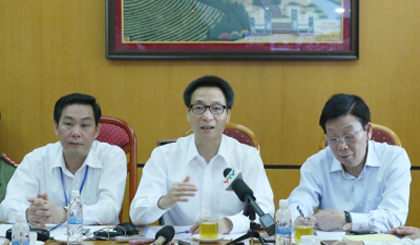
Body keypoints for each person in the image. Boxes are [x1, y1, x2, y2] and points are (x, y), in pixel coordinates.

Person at [130, 75, 274, 234]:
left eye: (217, 108)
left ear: (228, 115)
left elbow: (265, 210)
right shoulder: (163, 156)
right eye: (199, 108)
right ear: (188, 114)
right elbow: (137, 215)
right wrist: (164, 201)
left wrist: (227, 224)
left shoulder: (247, 156)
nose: (207, 116)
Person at [287, 94, 411, 232]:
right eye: (333, 138)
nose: (342, 146)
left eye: (350, 136)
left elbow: (393, 218)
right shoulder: (315, 164)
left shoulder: (394, 159)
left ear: (368, 131)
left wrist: (346, 218)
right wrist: (296, 217)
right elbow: (300, 202)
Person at [0, 93, 127, 227]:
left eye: (85, 125)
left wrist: (64, 214)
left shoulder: (111, 157)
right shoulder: (36, 159)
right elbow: (6, 206)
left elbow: (110, 209)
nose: (76, 133)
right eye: (68, 124)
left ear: (96, 131)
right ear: (56, 127)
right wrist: (29, 213)